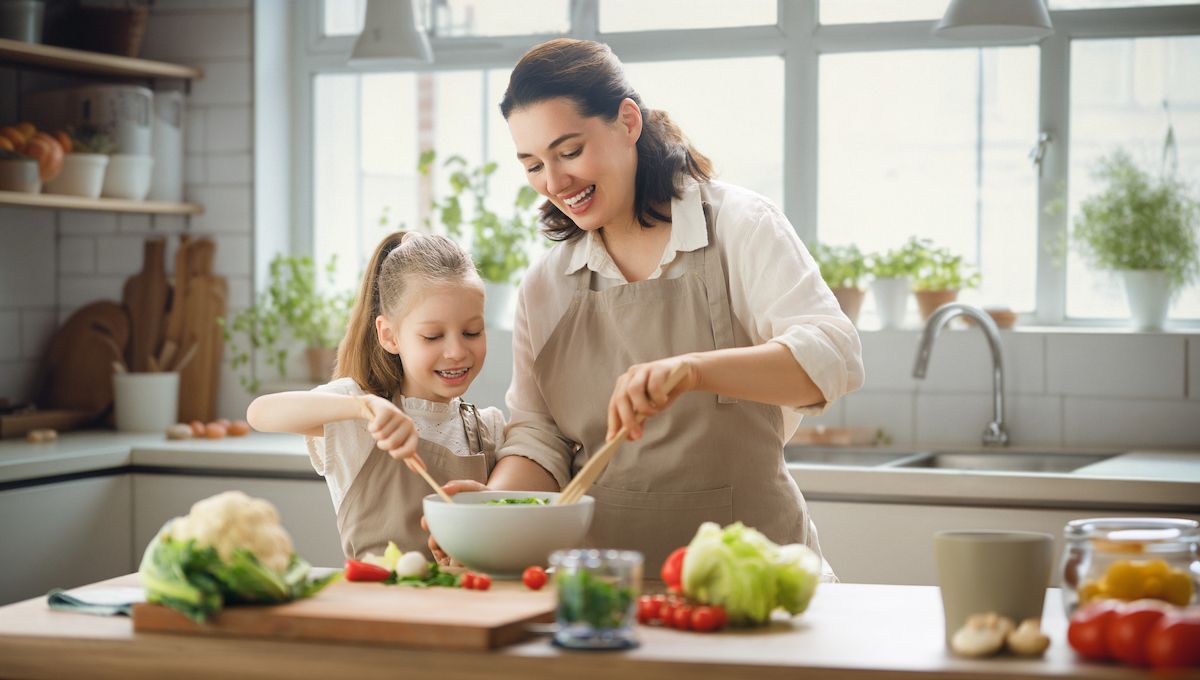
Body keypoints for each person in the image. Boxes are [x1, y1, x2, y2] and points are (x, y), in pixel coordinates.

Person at [434, 37, 865, 579]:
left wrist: (692, 371)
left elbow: (834, 358)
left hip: (758, 583)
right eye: (533, 165)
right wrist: (493, 514)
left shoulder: (738, 226)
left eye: (569, 151)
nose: (555, 182)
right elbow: (539, 437)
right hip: (606, 595)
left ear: (628, 121)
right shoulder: (547, 284)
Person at [247, 231, 504, 560]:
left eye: (472, 332)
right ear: (389, 336)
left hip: (469, 607)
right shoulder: (358, 419)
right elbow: (259, 413)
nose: (456, 351)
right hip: (377, 606)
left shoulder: (490, 429)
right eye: (432, 336)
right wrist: (362, 407)